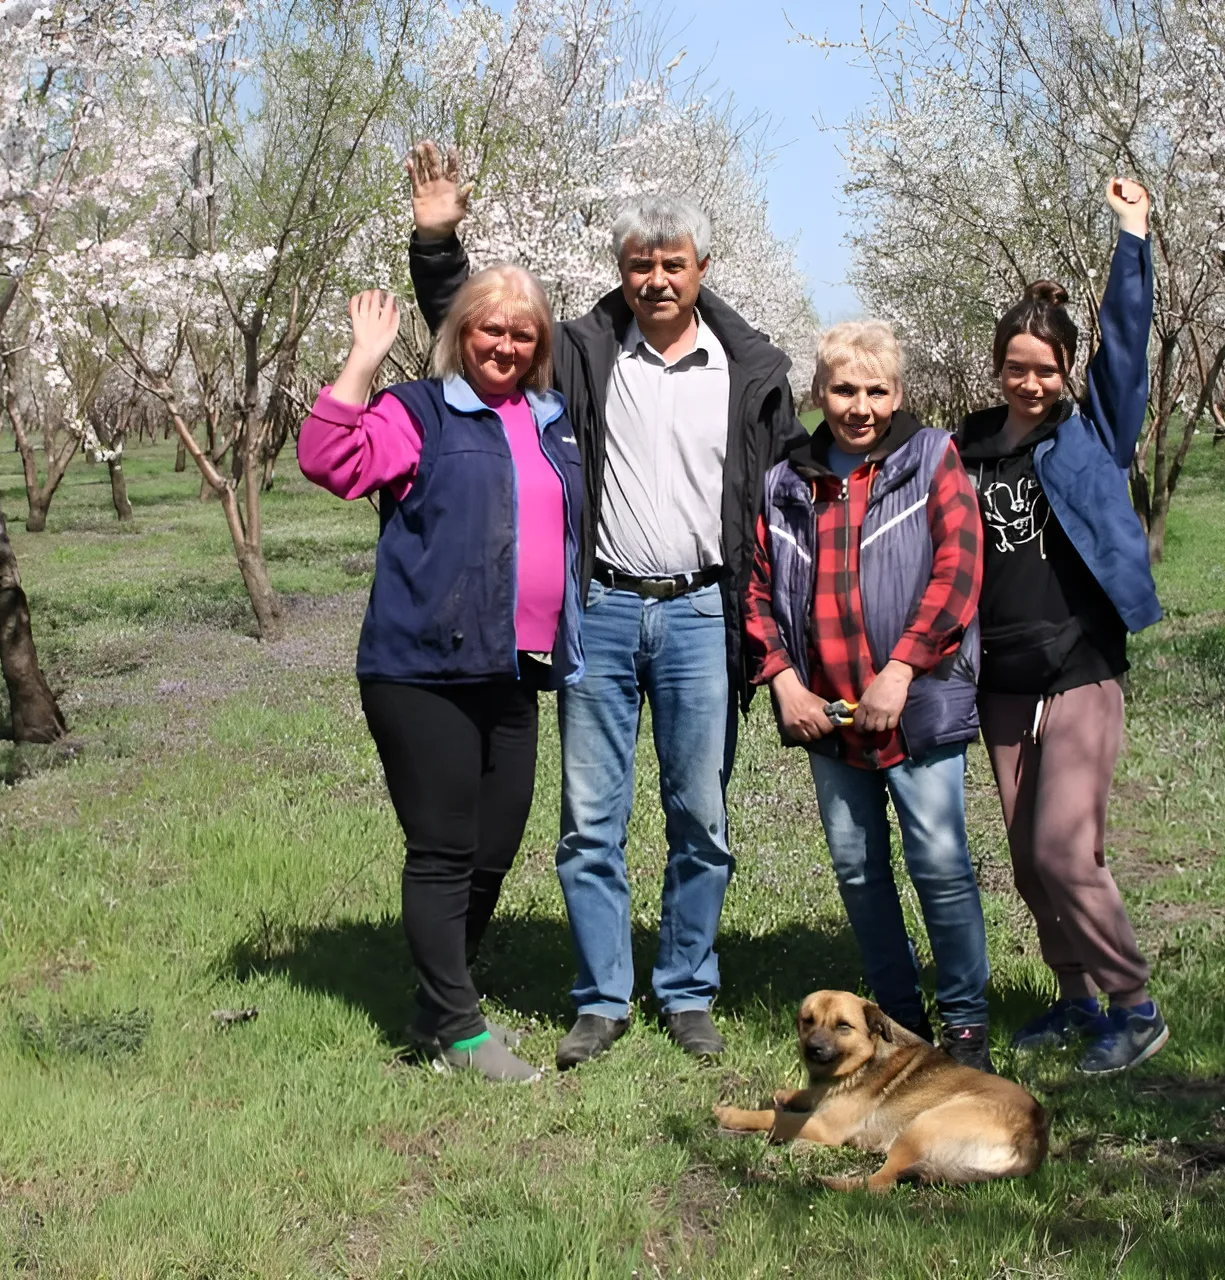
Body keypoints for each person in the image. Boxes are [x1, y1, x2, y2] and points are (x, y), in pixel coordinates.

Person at [402, 142, 805, 1067]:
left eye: (673, 264)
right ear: (619, 272)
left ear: (703, 268)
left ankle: (689, 990)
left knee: (700, 815)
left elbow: (795, 491)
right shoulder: (582, 357)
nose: (656, 280)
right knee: (591, 820)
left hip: (703, 615)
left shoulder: (750, 372)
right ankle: (601, 997)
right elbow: (478, 342)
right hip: (604, 614)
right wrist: (437, 244)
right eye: (639, 265)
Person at [297, 270, 584, 1083]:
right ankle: (457, 1030)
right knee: (444, 848)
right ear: (461, 333)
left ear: (540, 347)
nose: (504, 344)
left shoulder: (550, 421)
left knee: (495, 847)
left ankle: (437, 996)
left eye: (521, 333)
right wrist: (362, 362)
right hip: (423, 667)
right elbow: (327, 459)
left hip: (514, 669)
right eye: (489, 328)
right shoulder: (419, 410)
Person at [956, 177, 1169, 1075]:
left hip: (1078, 664)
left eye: (1046, 368)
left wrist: (1133, 238)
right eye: (1018, 366)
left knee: (1063, 845)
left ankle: (1135, 1004)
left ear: (1066, 372)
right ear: (997, 366)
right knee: (1028, 858)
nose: (1032, 381)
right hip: (1000, 673)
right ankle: (1074, 1000)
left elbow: (1125, 352)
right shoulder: (965, 445)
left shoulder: (1091, 435)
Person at [744, 320, 994, 1072]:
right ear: (819, 393)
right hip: (829, 716)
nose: (860, 405)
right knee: (858, 869)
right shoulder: (786, 482)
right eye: (844, 389)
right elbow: (758, 589)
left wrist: (903, 670)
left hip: (914, 705)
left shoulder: (930, 458)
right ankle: (899, 1024)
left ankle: (967, 1027)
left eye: (876, 390)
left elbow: (959, 571)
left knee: (940, 863)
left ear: (899, 393)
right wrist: (783, 681)